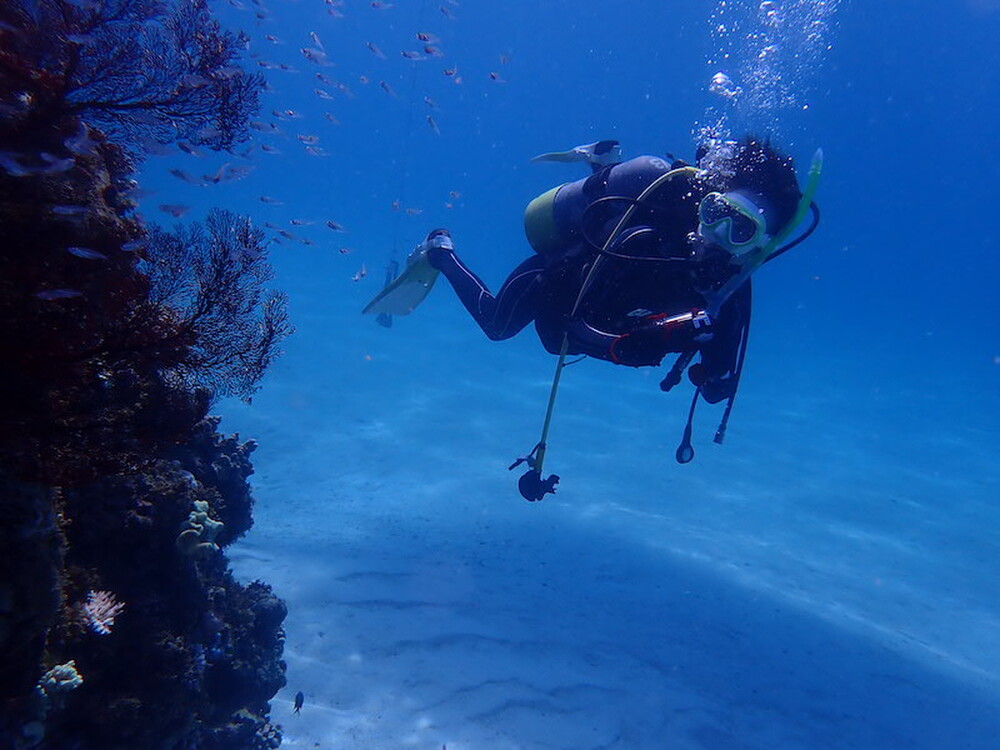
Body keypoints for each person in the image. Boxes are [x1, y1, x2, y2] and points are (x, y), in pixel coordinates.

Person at [366, 136, 821, 497]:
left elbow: (717, 376)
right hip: (561, 278)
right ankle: (440, 251)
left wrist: (713, 375)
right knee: (497, 326)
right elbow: (570, 325)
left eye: (740, 229)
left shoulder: (730, 293)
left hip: (613, 302)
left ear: (759, 246)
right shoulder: (643, 241)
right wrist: (622, 346)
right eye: (715, 212)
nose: (715, 234)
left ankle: (604, 168)